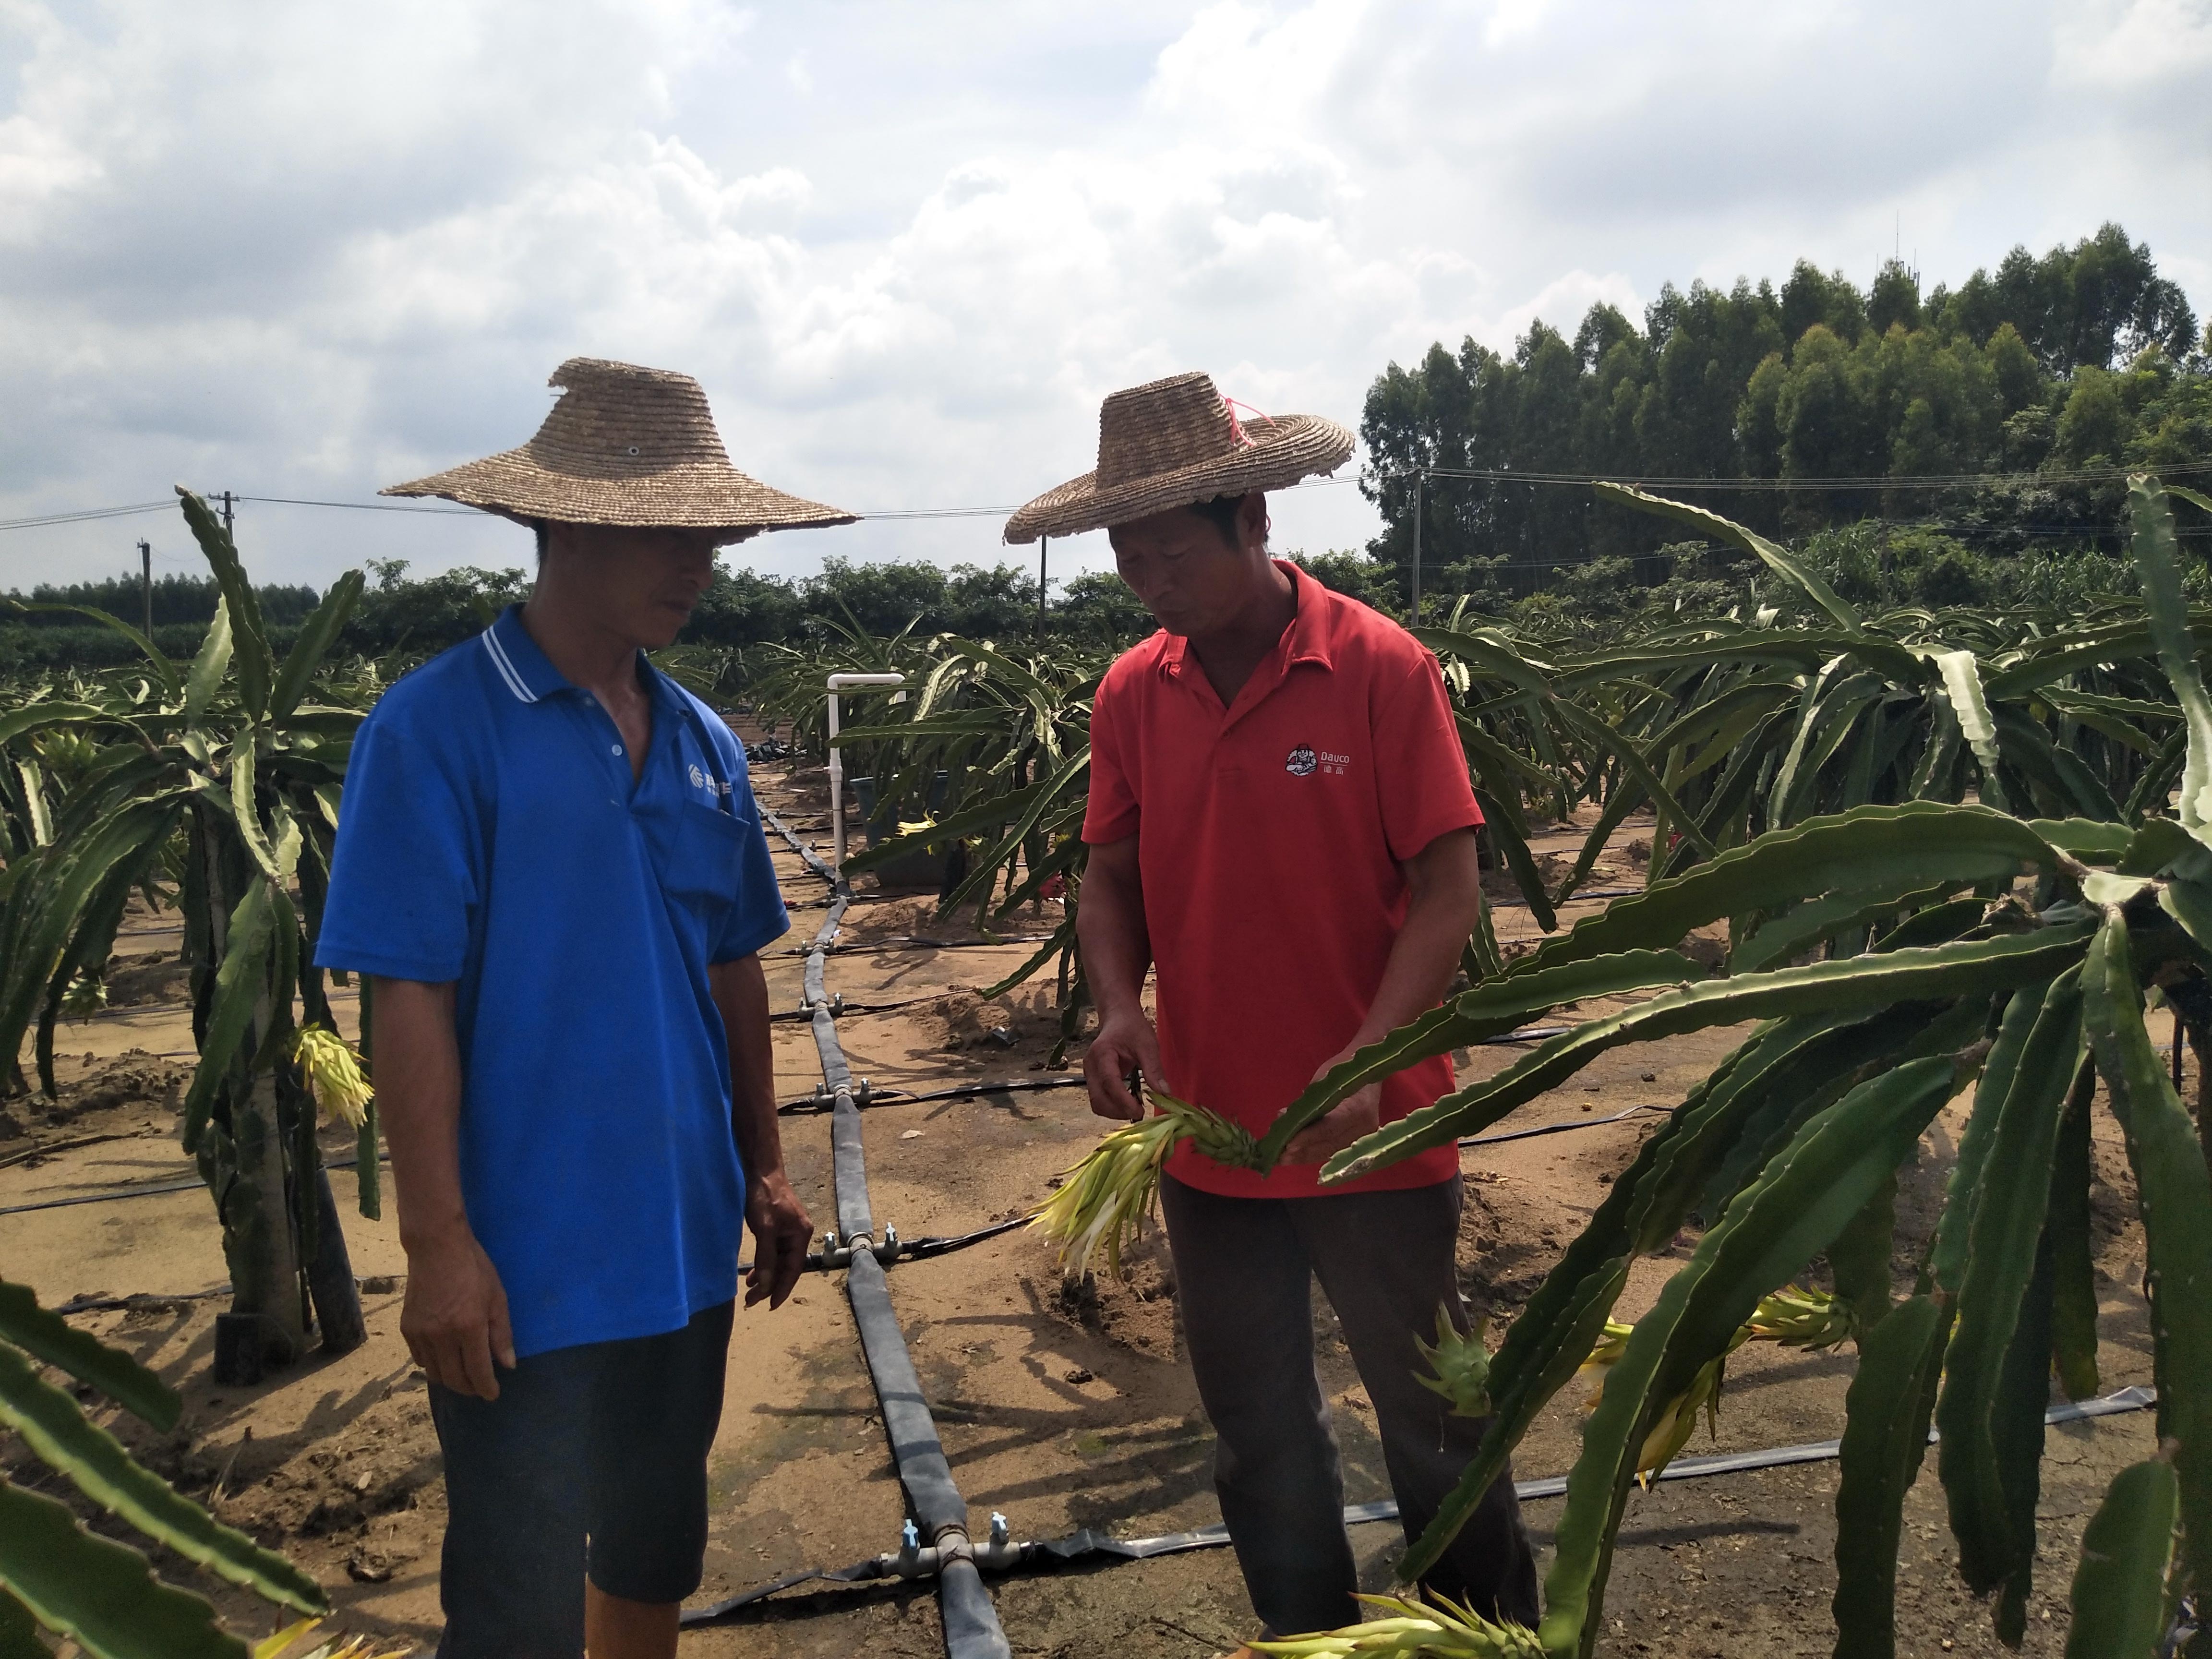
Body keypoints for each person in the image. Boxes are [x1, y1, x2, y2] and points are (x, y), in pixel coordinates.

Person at [317, 358, 855, 1659]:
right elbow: (410, 1000)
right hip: (525, 1266)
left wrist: (769, 1170)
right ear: (565, 524)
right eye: (676, 533)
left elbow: (734, 966)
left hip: (682, 1246)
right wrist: (439, 1245)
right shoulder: (435, 731)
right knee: (512, 1607)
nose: (705, 564)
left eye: (716, 537)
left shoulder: (701, 740)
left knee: (651, 1562)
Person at [1004, 372, 1539, 1646]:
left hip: (1375, 1134)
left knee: (1434, 1413)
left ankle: (1489, 1639)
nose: (1145, 578)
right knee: (1255, 1428)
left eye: (1169, 550)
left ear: (1251, 520)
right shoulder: (1135, 691)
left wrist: (1371, 1050)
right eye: (1125, 553)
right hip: (1211, 1139)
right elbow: (1111, 873)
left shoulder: (1377, 668)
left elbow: (1448, 888)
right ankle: (1308, 1634)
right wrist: (1119, 1010)